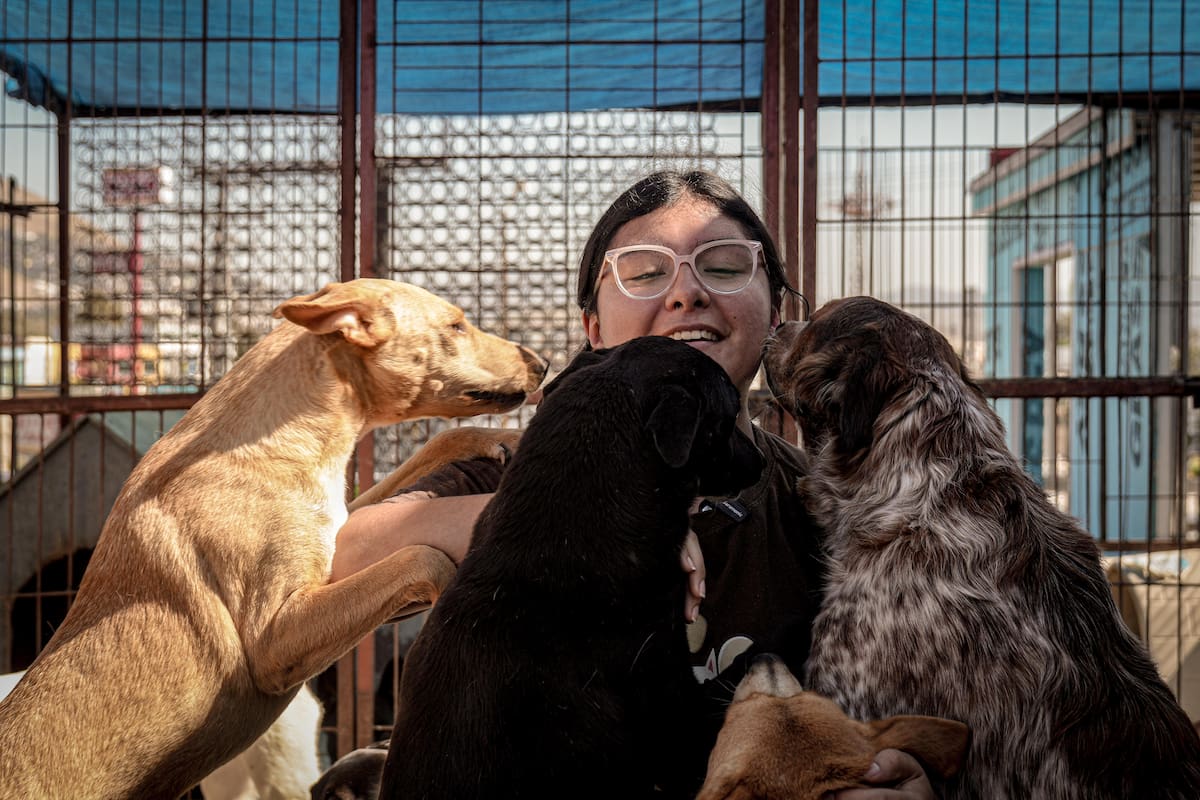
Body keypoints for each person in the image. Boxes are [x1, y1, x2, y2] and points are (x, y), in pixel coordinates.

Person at [333, 169, 937, 799]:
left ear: (777, 311)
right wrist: (581, 514)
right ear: (594, 328)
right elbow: (332, 556)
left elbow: (917, 704)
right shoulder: (505, 466)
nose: (686, 294)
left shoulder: (827, 507)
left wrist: (898, 774)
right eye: (645, 274)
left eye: (725, 267)